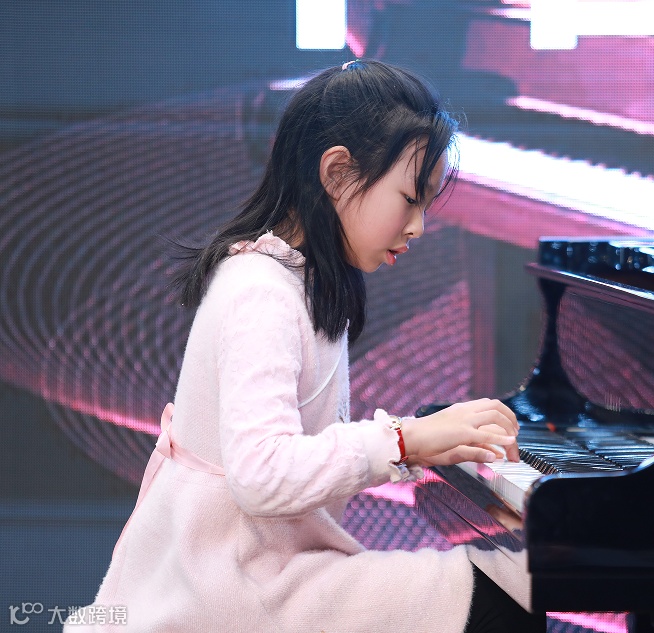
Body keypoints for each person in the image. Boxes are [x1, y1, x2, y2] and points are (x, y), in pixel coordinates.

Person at [68, 60, 547, 632]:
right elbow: (262, 474)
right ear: (337, 174)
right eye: (409, 199)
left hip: (260, 573)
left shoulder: (296, 280)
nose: (419, 226)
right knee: (498, 598)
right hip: (233, 591)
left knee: (504, 584)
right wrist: (406, 440)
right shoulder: (259, 291)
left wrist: (425, 445)